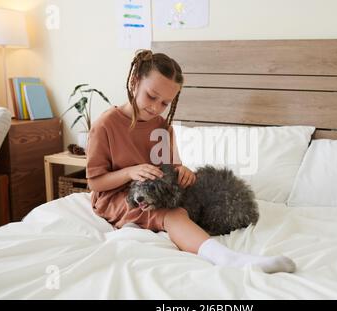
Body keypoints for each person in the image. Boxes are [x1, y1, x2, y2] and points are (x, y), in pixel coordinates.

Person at [86, 49, 295, 274]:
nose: (156, 108)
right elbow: (95, 183)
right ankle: (229, 259)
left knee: (193, 200)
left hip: (155, 192)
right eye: (151, 96)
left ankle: (141, 227)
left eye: (165, 103)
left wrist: (180, 170)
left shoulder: (162, 127)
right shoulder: (105, 125)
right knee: (172, 214)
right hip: (115, 195)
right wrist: (130, 172)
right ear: (135, 81)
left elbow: (168, 168)